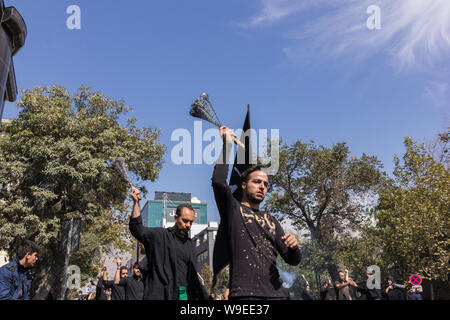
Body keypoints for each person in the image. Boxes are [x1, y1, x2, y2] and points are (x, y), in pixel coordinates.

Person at [212, 126, 301, 300]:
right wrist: (227, 145)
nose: (262, 186)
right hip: (245, 295)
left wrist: (294, 247)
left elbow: (293, 260)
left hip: (277, 294)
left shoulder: (271, 220)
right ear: (244, 185)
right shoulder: (233, 210)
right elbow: (218, 182)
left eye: (266, 184)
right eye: (257, 182)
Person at [129, 188, 207, 300]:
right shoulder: (160, 236)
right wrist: (136, 203)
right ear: (176, 218)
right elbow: (136, 229)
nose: (188, 225)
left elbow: (193, 277)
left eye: (191, 222)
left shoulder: (190, 245)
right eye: (185, 220)